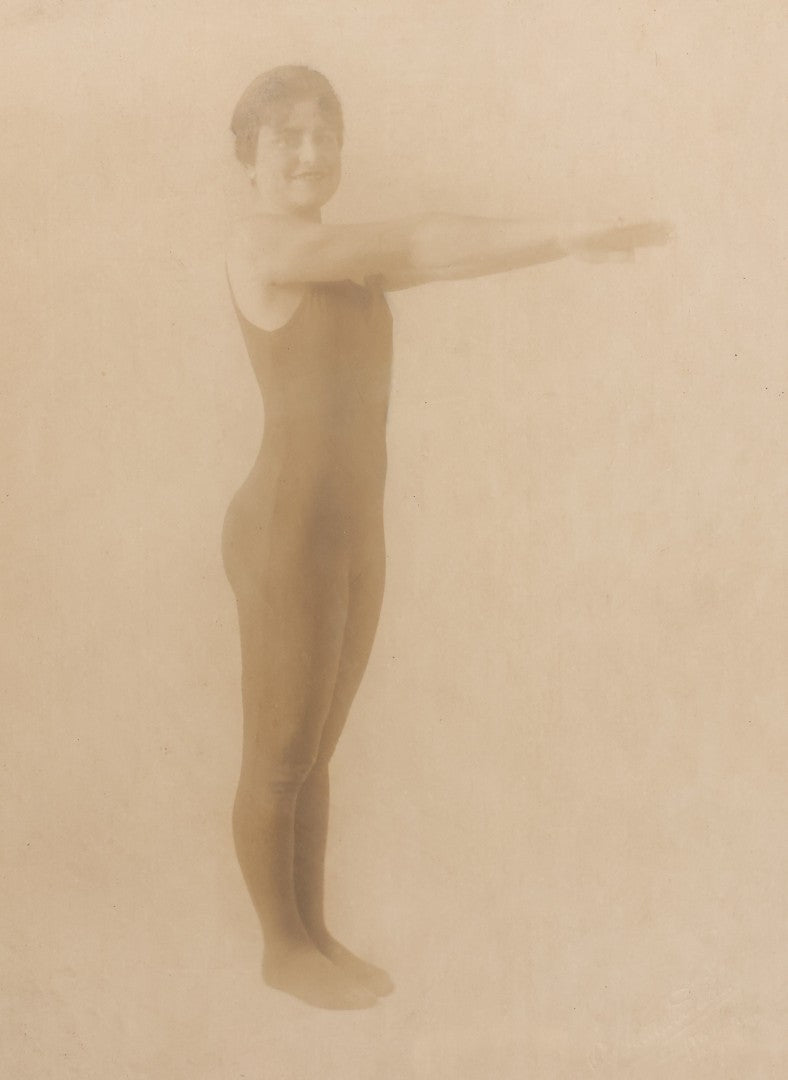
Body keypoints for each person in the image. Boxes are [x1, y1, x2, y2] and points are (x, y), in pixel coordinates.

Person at [222, 64, 672, 1010]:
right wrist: (559, 227)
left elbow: (447, 254)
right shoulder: (264, 244)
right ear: (249, 161)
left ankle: (312, 932)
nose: (310, 152)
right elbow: (420, 236)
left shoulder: (349, 257)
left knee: (316, 750)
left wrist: (564, 246)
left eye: (323, 132)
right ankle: (280, 948)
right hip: (285, 534)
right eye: (286, 138)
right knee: (279, 750)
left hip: (351, 531)